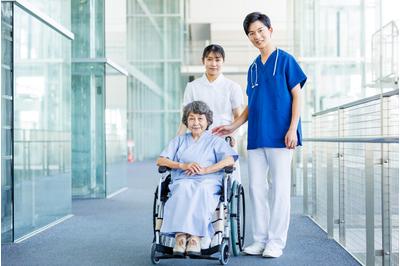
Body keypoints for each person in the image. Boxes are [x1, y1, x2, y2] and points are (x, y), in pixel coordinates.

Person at [213, 12, 307, 258]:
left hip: (280, 136)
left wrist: (292, 128)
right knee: (256, 188)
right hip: (256, 136)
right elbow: (252, 105)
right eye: (251, 33)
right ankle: (260, 239)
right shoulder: (253, 68)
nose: (256, 36)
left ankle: (276, 242)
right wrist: (233, 126)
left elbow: (297, 96)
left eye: (260, 31)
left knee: (279, 189)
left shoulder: (286, 61)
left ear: (270, 30)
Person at [157, 101, 238, 256]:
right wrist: (183, 165)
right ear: (186, 121)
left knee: (201, 190)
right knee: (183, 189)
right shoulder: (178, 141)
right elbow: (161, 160)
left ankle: (195, 237)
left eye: (200, 119)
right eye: (192, 118)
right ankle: (180, 236)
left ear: (207, 121)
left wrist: (207, 169)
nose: (196, 123)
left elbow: (230, 160)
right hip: (183, 180)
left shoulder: (215, 141)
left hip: (208, 181)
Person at [177, 44, 243, 183]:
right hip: (198, 141)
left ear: (223, 61)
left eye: (218, 60)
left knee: (228, 183)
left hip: (224, 141)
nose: (213, 64)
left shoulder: (232, 87)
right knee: (197, 178)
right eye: (210, 59)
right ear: (203, 61)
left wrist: (232, 137)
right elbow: (185, 118)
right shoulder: (192, 87)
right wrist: (177, 141)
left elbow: (238, 117)